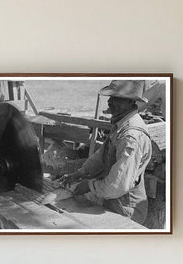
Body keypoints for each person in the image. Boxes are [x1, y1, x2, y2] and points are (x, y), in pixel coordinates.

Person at [61, 80, 152, 225]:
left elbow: (118, 184)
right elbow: (101, 157)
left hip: (126, 209)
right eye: (110, 96)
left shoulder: (130, 136)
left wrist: (88, 185)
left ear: (130, 101)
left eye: (116, 98)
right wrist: (79, 173)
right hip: (114, 201)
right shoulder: (121, 124)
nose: (109, 101)